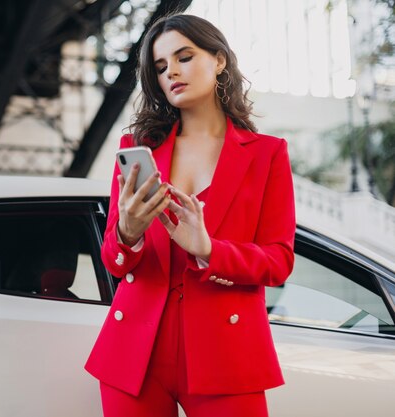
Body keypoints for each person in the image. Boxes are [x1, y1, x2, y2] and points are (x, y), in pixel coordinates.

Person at [85, 13, 296, 417]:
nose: (172, 73)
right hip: (134, 355)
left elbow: (279, 261)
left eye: (184, 57)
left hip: (227, 355)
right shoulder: (137, 148)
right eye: (161, 67)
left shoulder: (267, 153)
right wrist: (128, 234)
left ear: (219, 60)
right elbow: (113, 260)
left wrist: (208, 249)